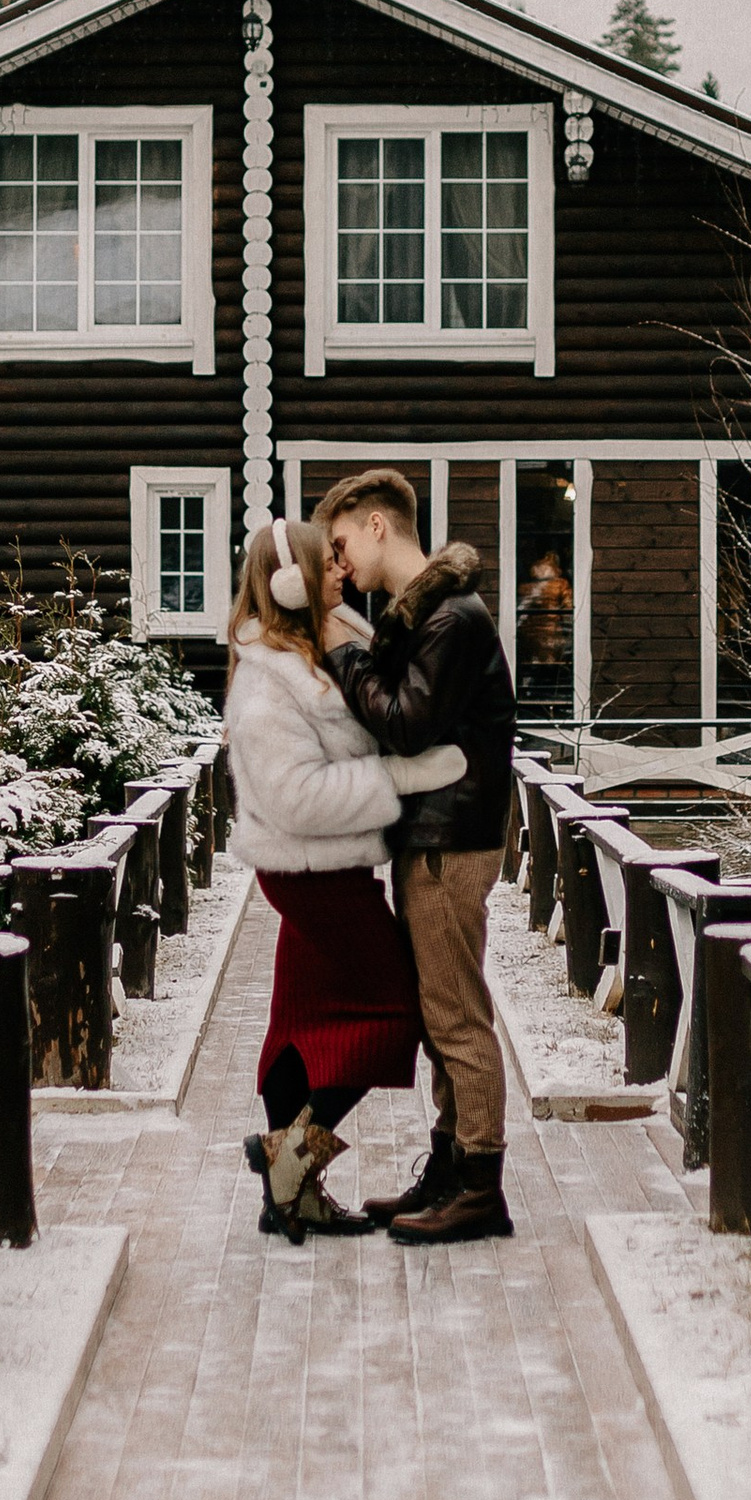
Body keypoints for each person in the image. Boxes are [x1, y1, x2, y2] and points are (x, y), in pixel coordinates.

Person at [222, 512, 466, 1240]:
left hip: (331, 871)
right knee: (395, 1011)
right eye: (323, 560)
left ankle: (289, 1195)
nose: (339, 567)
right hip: (312, 873)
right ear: (291, 581)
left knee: (300, 1021)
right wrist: (399, 775)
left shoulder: (322, 645)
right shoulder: (268, 687)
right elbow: (298, 798)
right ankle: (288, 1162)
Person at [311, 467, 519, 1245]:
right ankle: (447, 1166)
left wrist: (339, 647)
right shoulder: (422, 616)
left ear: (375, 526)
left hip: (449, 840)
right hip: (432, 835)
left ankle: (479, 1185)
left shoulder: (451, 619)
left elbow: (405, 724)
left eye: (339, 545)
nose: (337, 567)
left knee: (457, 1017)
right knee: (442, 1014)